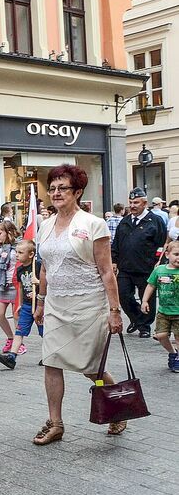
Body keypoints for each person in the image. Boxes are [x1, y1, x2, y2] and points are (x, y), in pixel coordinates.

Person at [32, 164, 124, 445]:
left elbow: (106, 270)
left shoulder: (93, 224)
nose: (56, 193)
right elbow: (45, 268)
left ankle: (117, 407)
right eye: (53, 188)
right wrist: (40, 302)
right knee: (51, 361)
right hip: (57, 306)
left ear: (78, 192)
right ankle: (55, 423)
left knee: (91, 368)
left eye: (63, 188)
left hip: (89, 305)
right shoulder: (45, 225)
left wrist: (115, 310)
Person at [112, 187, 166, 339]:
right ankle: (137, 319)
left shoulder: (155, 221)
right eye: (130, 202)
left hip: (146, 267)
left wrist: (158, 261)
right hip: (125, 267)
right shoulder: (125, 221)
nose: (133, 205)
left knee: (146, 298)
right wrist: (114, 260)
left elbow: (162, 244)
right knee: (123, 296)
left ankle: (145, 326)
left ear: (145, 203)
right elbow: (117, 242)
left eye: (136, 202)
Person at [0, 240, 43, 369]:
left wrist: (38, 282)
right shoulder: (20, 269)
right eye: (16, 252)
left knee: (44, 332)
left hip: (40, 305)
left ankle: (49, 355)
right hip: (27, 306)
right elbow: (21, 288)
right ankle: (12, 356)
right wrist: (20, 303)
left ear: (31, 254)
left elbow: (48, 283)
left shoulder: (38, 266)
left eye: (20, 252)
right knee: (19, 331)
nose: (17, 255)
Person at [141, 240, 179, 373]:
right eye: (176, 254)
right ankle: (172, 353)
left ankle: (178, 360)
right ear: (167, 255)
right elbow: (151, 285)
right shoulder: (159, 270)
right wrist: (145, 301)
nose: (178, 258)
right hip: (163, 311)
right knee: (161, 335)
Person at [0, 221, 20, 359]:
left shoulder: (18, 248)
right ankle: (10, 337)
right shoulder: (0, 248)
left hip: (14, 285)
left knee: (16, 316)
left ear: (8, 233)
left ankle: (18, 342)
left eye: (0, 233)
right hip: (3, 285)